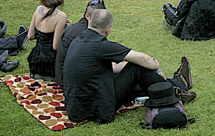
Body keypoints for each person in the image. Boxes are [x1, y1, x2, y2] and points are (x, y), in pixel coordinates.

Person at [63, 9, 195, 124]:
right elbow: (144, 59)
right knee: (137, 68)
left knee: (136, 75)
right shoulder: (101, 45)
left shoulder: (79, 39)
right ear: (108, 30)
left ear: (89, 21)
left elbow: (109, 68)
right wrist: (154, 66)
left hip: (77, 108)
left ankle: (174, 85)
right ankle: (176, 88)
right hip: (98, 109)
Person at [55, 0, 107, 88]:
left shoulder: (74, 27)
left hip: (62, 77)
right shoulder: (87, 35)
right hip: (71, 83)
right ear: (87, 16)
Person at [27, 0, 68, 81]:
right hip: (51, 64)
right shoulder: (61, 16)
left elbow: (30, 36)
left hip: (36, 61)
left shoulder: (38, 9)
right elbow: (55, 46)